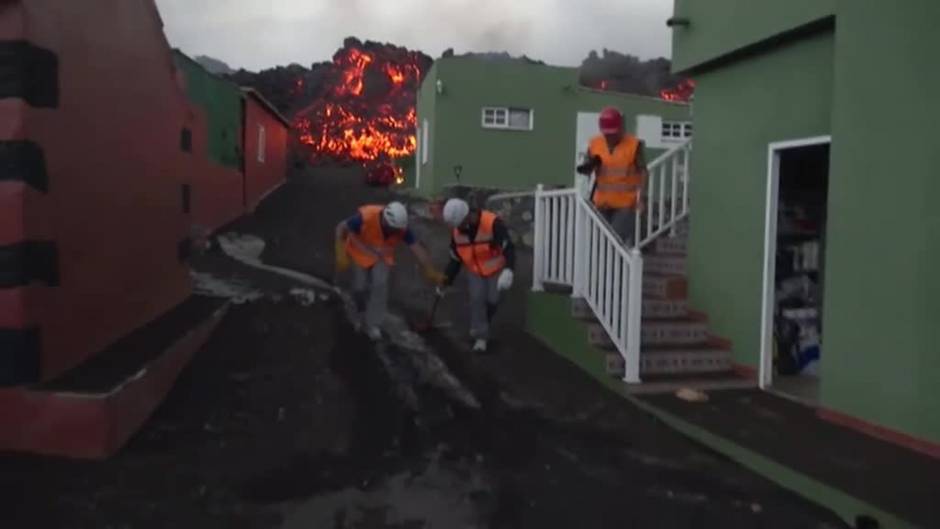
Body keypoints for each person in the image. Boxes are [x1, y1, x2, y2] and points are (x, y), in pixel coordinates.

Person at [335, 201, 443, 340]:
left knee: (380, 286)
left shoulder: (400, 227)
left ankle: (374, 323)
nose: (395, 233)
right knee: (359, 287)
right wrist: (340, 251)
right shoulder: (366, 217)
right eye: (393, 229)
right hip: (359, 253)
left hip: (381, 258)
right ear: (385, 220)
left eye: (397, 230)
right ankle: (359, 311)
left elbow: (417, 248)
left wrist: (430, 269)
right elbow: (341, 228)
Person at [440, 198, 515, 352]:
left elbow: (509, 247)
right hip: (475, 271)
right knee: (477, 299)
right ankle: (480, 337)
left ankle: (483, 322)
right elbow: (455, 261)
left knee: (493, 299)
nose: (459, 228)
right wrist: (445, 282)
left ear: (467, 216)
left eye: (460, 224)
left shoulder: (492, 223)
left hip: (496, 269)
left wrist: (509, 269)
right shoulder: (457, 233)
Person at [576, 106, 648, 246]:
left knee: (614, 242)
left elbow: (643, 172)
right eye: (607, 134)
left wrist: (642, 199)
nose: (610, 136)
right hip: (602, 203)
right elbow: (586, 171)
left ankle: (619, 267)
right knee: (600, 243)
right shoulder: (594, 144)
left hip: (625, 205)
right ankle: (604, 267)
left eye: (613, 133)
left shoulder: (634, 145)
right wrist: (589, 166)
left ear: (621, 128)